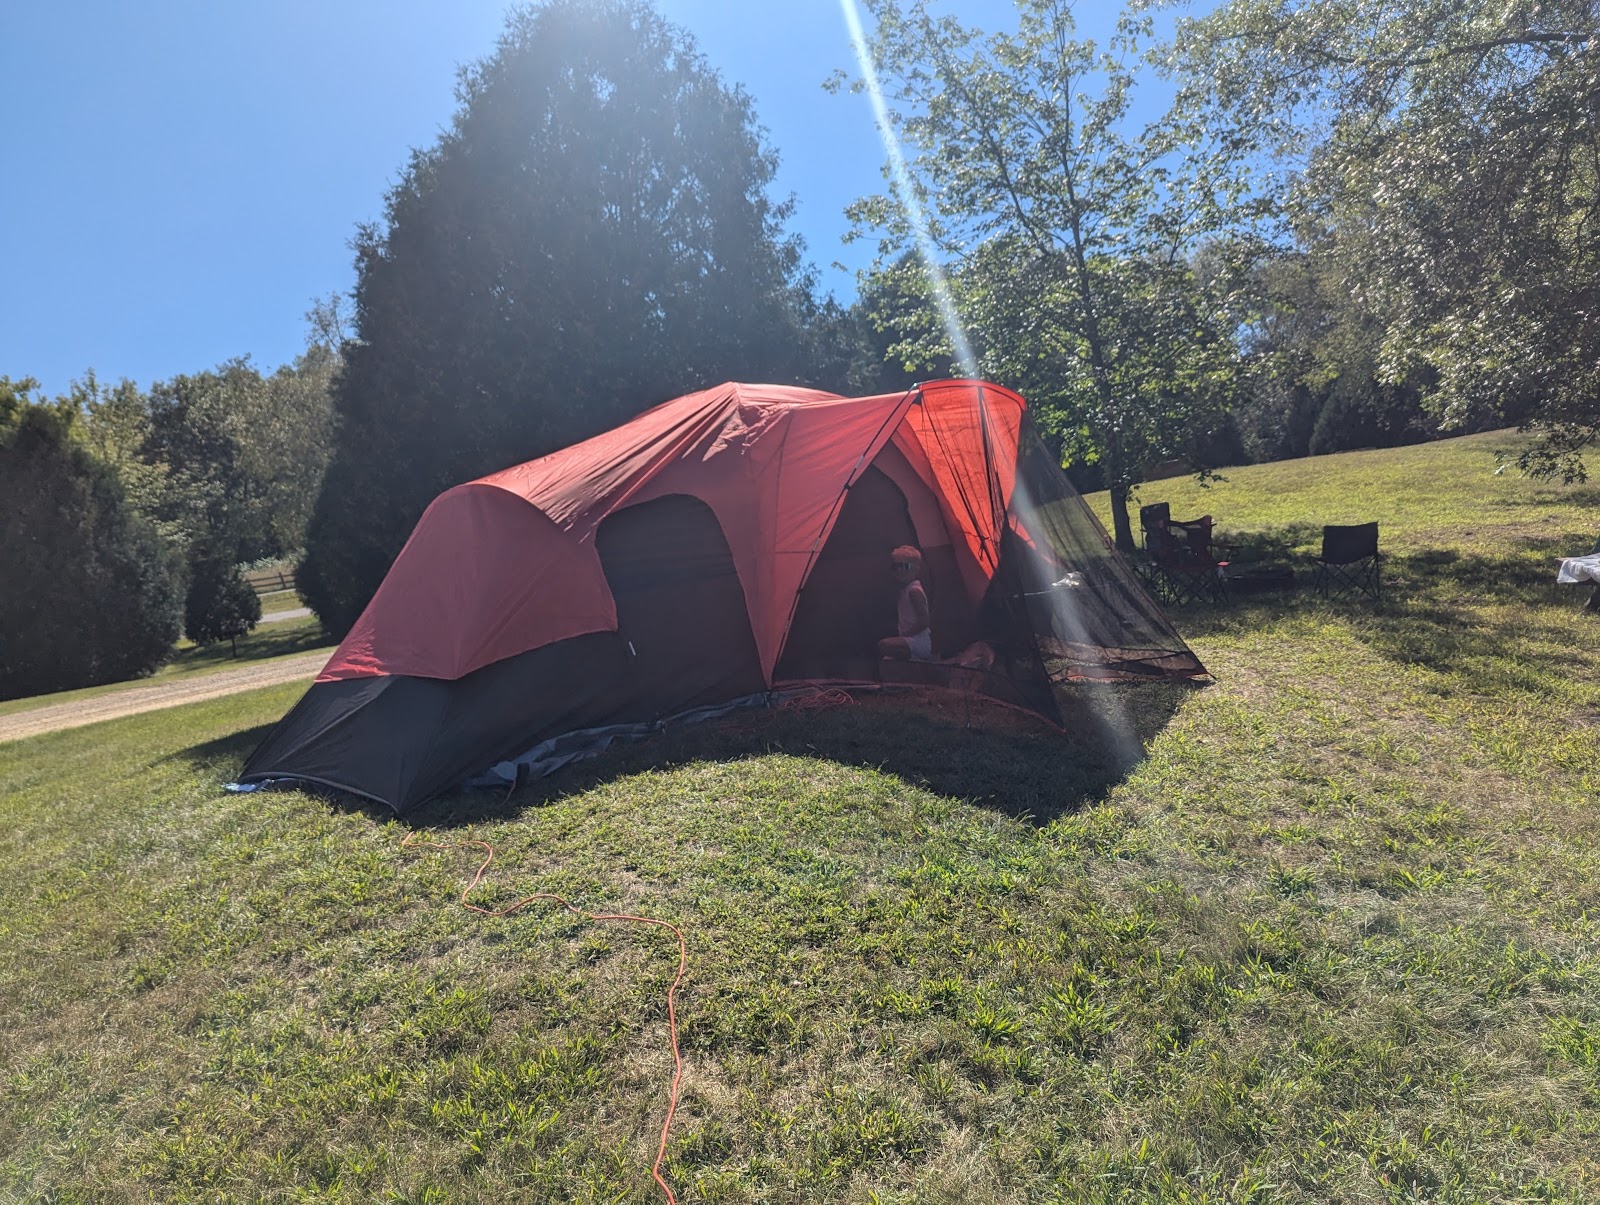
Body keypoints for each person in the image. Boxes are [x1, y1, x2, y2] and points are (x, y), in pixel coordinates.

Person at [876, 545, 933, 661]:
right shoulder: (904, 590)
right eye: (895, 567)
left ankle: (919, 658)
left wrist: (905, 636)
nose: (899, 570)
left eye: (905, 566)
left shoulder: (914, 591)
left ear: (914, 569)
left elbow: (924, 621)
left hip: (918, 641)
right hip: (909, 639)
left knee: (884, 645)